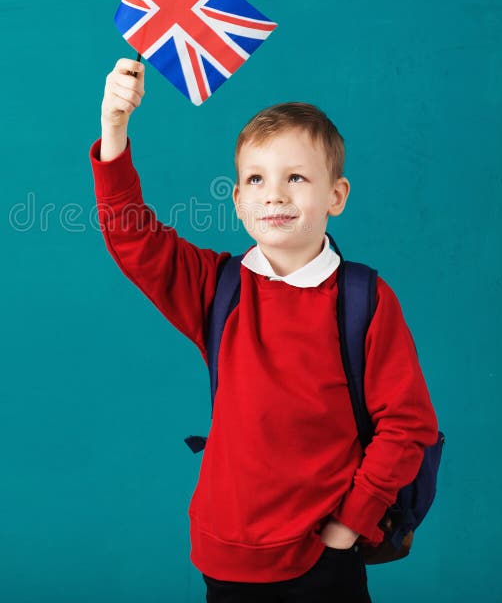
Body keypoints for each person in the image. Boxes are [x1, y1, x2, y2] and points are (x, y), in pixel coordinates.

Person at [90, 58, 439, 602]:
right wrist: (115, 131)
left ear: (336, 196)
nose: (273, 194)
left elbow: (408, 426)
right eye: (256, 179)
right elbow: (132, 238)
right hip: (224, 557)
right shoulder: (217, 287)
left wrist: (351, 524)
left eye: (295, 178)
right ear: (237, 200)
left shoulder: (364, 298)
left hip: (324, 560)